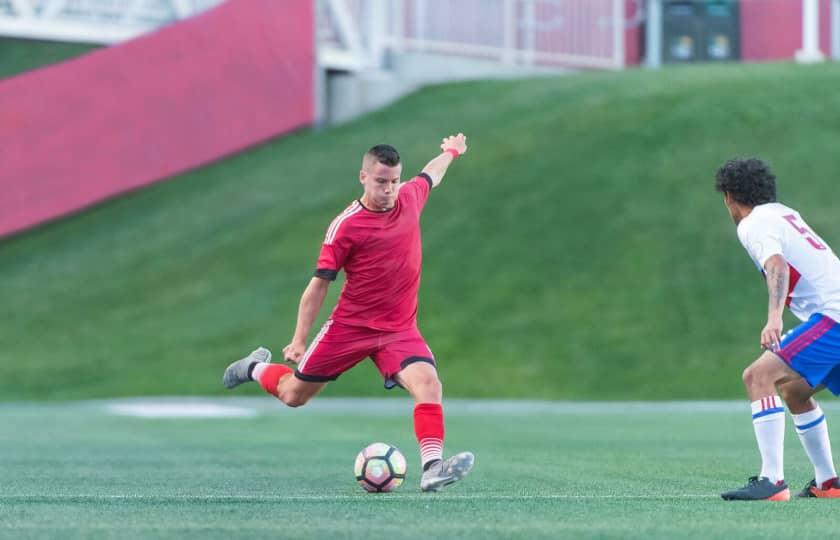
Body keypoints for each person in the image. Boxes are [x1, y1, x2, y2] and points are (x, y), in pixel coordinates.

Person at [223, 134, 473, 492]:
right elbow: (318, 285)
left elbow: (431, 174)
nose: (389, 189)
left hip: (399, 329)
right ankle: (253, 367)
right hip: (350, 328)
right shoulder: (346, 225)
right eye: (381, 181)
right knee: (293, 395)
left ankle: (433, 468)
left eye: (394, 181)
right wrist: (298, 339)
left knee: (429, 384)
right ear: (363, 177)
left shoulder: (409, 197)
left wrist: (450, 151)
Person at [716, 157, 840, 501]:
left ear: (729, 197)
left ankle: (772, 481)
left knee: (757, 377)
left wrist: (774, 318)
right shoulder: (784, 214)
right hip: (833, 316)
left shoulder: (753, 223)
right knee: (795, 391)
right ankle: (828, 483)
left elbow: (777, 265)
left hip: (834, 317)